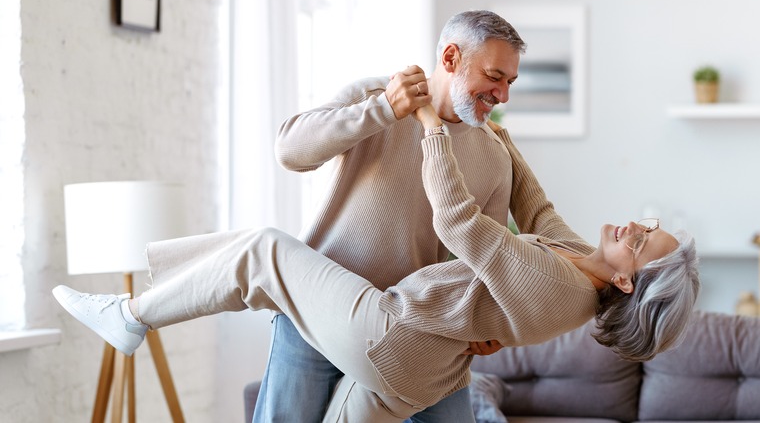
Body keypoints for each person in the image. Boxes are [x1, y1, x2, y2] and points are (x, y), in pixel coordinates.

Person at [53, 107, 701, 423]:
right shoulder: (577, 263)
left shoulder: (555, 284)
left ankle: (131, 314)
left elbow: (457, 223)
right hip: (421, 364)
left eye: (642, 243)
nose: (634, 228)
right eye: (647, 225)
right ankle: (142, 296)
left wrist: (432, 129)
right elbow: (536, 206)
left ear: (626, 280)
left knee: (264, 251)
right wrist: (501, 137)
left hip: (389, 333)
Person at [262, 9, 530, 422]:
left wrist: (485, 324)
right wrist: (385, 108)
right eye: (494, 76)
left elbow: (484, 261)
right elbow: (290, 152)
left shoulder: (493, 157)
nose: (503, 95)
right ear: (451, 58)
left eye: (510, 82)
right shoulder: (377, 94)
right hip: (315, 313)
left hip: (410, 330)